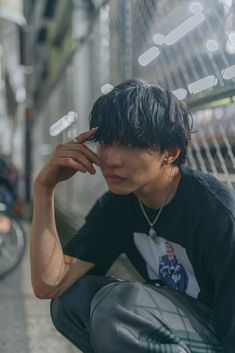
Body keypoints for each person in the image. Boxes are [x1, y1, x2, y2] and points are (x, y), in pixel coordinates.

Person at [30, 79, 235, 353]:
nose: (110, 159)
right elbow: (50, 284)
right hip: (173, 324)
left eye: (130, 144)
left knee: (119, 305)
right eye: (105, 142)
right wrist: (44, 189)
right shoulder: (117, 206)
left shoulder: (216, 212)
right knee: (71, 301)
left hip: (219, 333)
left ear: (170, 153)